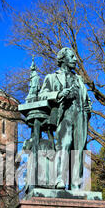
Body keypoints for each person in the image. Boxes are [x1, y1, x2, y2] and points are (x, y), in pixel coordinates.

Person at [39, 47, 92, 190]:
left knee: (78, 150)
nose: (75, 59)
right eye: (72, 57)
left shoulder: (79, 79)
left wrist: (88, 107)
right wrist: (59, 94)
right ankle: (60, 180)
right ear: (63, 59)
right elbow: (42, 95)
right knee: (65, 145)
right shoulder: (51, 77)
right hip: (64, 116)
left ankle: (75, 184)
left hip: (80, 116)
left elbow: (86, 99)